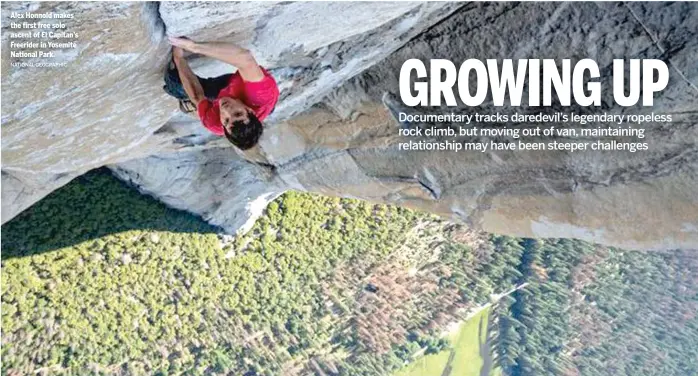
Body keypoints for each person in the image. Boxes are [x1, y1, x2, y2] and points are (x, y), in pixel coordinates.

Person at [164, 37, 279, 150]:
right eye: (238, 113)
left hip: (228, 95)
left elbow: (196, 96)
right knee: (249, 72)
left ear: (223, 127)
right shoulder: (261, 95)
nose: (227, 110)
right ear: (249, 110)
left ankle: (195, 108)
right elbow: (245, 59)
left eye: (226, 120)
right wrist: (194, 46)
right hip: (240, 87)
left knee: (175, 82)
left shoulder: (215, 124)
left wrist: (178, 58)